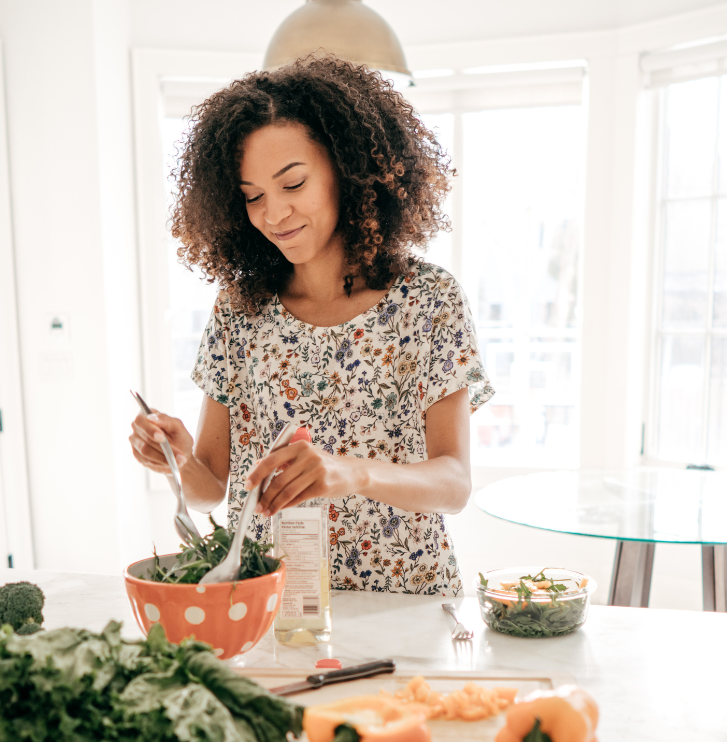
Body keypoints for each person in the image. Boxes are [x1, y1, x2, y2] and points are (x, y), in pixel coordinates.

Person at [129, 56, 493, 595]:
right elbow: (211, 488)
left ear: (347, 169)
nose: (273, 215)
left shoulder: (427, 300)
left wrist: (352, 471)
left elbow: (455, 485)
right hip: (271, 602)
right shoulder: (240, 311)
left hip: (403, 603)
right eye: (253, 196)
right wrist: (179, 460)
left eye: (292, 183)